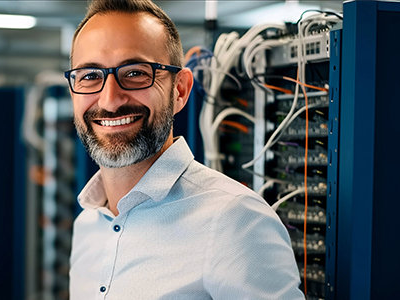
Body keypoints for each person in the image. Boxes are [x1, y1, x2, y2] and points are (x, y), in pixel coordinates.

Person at [65, 0, 304, 299]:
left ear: (179, 90)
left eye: (136, 72)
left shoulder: (234, 220)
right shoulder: (87, 224)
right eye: (90, 76)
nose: (110, 100)